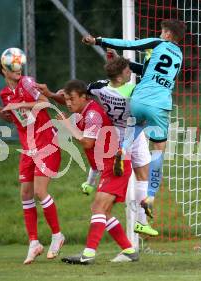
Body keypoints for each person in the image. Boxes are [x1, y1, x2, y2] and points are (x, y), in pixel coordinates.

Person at [82, 19, 186, 218]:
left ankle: (122, 148)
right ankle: (150, 198)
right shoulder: (180, 56)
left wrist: (98, 41)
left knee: (136, 124)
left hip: (138, 100)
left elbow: (130, 44)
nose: (161, 34)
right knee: (158, 151)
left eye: (163, 31)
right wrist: (125, 62)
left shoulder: (157, 43)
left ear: (168, 35)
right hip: (159, 105)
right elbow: (153, 73)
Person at [0, 54, 64, 265]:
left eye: (19, 65)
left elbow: (45, 102)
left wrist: (24, 105)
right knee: (26, 194)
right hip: (28, 147)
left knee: (39, 191)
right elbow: (11, 117)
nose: (18, 69)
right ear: (4, 70)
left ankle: (57, 235)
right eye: (12, 67)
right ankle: (34, 242)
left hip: (46, 142)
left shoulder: (27, 83)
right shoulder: (4, 92)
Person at [57, 80, 138, 264]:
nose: (69, 103)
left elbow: (87, 143)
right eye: (66, 99)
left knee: (99, 208)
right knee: (101, 210)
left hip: (116, 164)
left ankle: (88, 255)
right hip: (109, 165)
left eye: (72, 99)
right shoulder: (84, 113)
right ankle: (129, 250)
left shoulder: (92, 114)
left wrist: (67, 125)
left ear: (84, 97)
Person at [82, 56, 158, 236]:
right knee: (142, 175)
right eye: (126, 70)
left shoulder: (100, 88)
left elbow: (86, 90)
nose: (130, 72)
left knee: (103, 164)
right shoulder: (133, 90)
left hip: (113, 133)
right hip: (132, 133)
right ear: (119, 76)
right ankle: (141, 221)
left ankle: (89, 183)